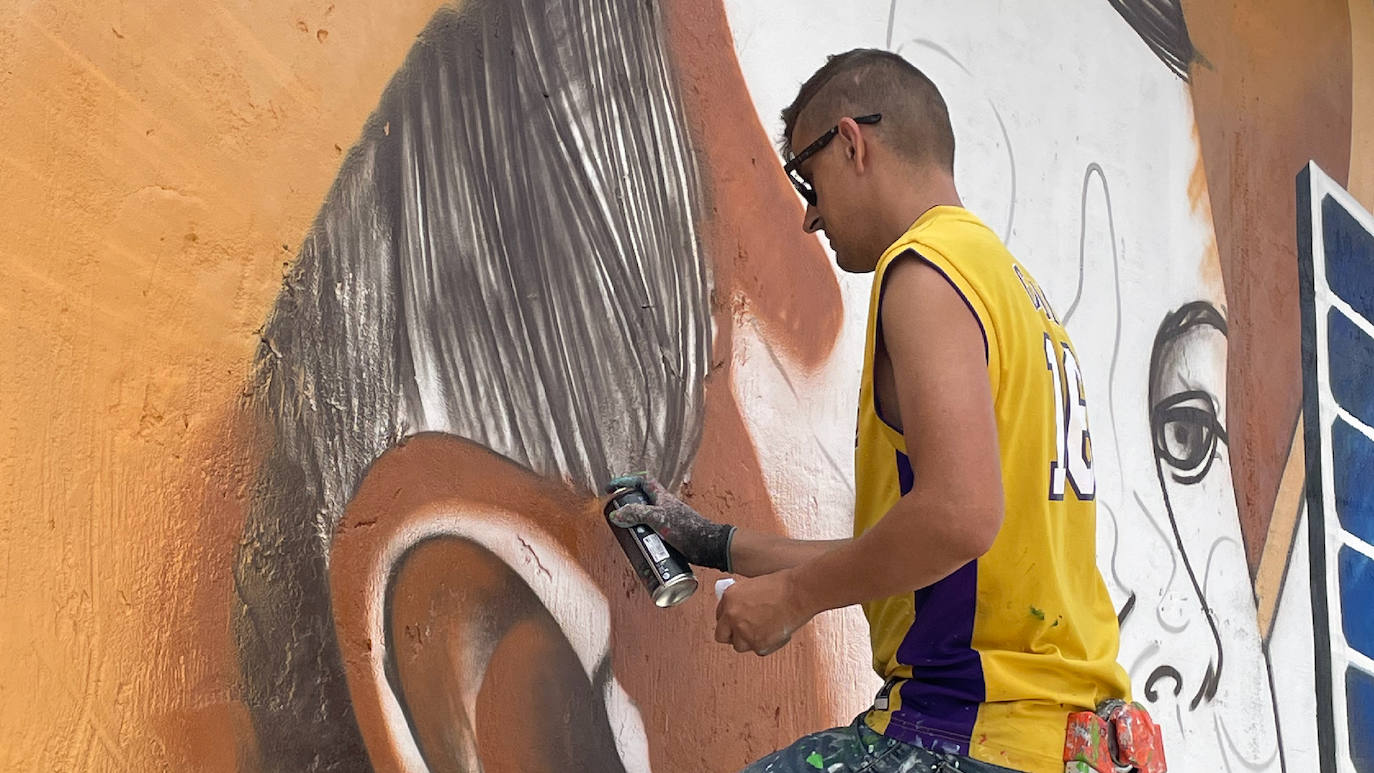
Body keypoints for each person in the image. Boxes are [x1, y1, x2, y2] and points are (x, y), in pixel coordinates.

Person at [606, 49, 1133, 773]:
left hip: (970, 736)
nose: (809, 216)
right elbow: (917, 556)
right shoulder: (1012, 294)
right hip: (1067, 748)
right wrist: (713, 541)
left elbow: (958, 514)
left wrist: (791, 597)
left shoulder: (924, 270)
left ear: (852, 142)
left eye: (807, 177)